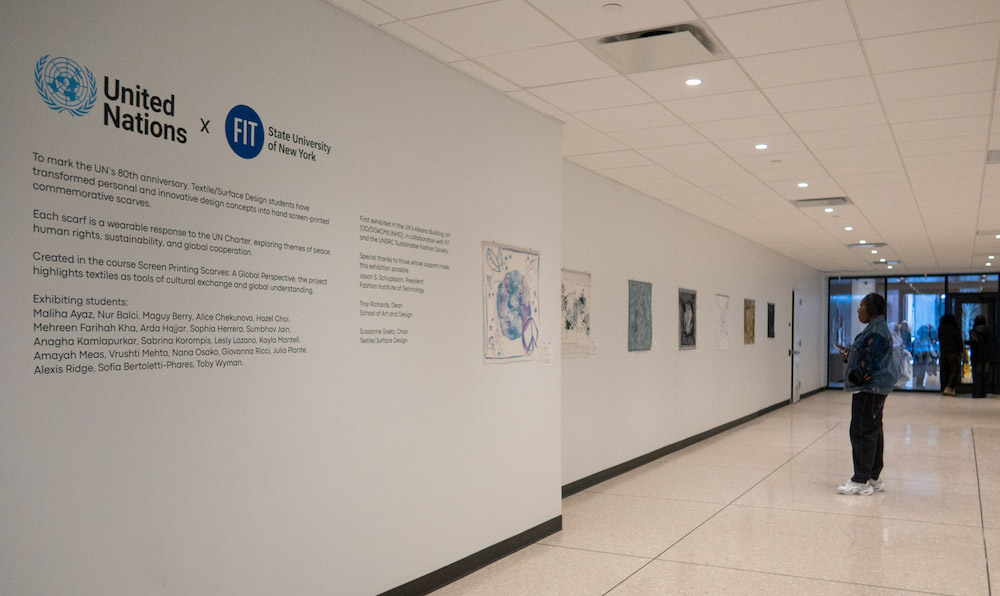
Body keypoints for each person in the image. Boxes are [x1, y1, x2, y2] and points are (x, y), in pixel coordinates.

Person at [835, 293, 895, 496]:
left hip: (870, 389)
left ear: (872, 310)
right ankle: (873, 476)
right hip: (875, 388)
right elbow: (868, 356)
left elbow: (870, 364)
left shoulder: (877, 331)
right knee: (873, 431)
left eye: (861, 306)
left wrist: (854, 374)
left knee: (861, 432)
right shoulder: (877, 329)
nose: (858, 309)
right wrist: (852, 356)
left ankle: (860, 479)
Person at [966, 315, 994, 398]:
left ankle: (977, 392)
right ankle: (983, 392)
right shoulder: (989, 331)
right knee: (985, 375)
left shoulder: (973, 331)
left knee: (976, 375)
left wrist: (967, 342)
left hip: (977, 356)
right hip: (987, 356)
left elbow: (974, 343)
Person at [938, 314, 963, 396]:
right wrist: (961, 350)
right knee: (954, 370)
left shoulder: (941, 329)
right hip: (953, 352)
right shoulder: (954, 329)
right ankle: (949, 387)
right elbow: (958, 341)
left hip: (944, 352)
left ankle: (944, 388)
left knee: (944, 370)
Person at [910, 324, 936, 389]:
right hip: (919, 357)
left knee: (923, 371)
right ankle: (918, 384)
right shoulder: (918, 337)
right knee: (919, 371)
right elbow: (917, 347)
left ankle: (920, 384)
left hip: (924, 356)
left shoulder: (926, 337)